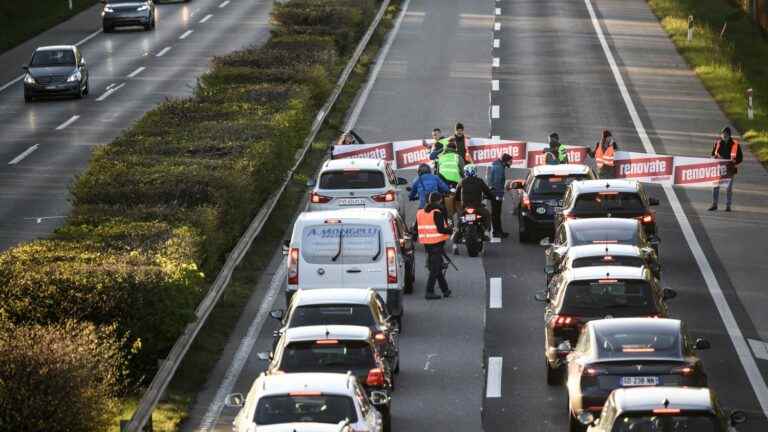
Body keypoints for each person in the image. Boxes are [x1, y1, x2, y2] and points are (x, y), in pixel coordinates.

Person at [414, 192, 453, 300]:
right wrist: (450, 230)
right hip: (436, 243)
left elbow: (415, 229)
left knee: (437, 266)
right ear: (440, 200)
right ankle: (429, 291)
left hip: (427, 244)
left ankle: (445, 290)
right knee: (435, 268)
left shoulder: (420, 212)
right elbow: (441, 229)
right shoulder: (437, 212)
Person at [454, 165, 494, 252]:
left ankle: (455, 240)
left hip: (466, 208)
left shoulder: (461, 182)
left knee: (459, 221)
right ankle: (486, 231)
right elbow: (488, 192)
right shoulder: (479, 181)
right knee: (487, 215)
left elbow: (456, 196)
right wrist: (492, 197)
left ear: (465, 172)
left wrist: (458, 201)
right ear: (475, 171)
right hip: (477, 207)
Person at [708, 126, 743, 211]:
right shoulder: (717, 143)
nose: (724, 135)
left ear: (729, 135)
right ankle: (714, 204)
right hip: (718, 168)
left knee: (728, 188)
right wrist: (714, 158)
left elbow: (740, 158)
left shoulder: (735, 144)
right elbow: (712, 155)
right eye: (722, 134)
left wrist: (734, 162)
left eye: (726, 134)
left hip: (730, 169)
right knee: (715, 186)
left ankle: (728, 206)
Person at [489, 153, 513, 238]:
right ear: (505, 161)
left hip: (494, 192)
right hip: (496, 193)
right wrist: (499, 196)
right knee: (496, 214)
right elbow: (497, 183)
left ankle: (498, 231)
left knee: (496, 213)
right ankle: (497, 232)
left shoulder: (498, 166)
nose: (511, 163)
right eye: (510, 161)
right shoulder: (499, 168)